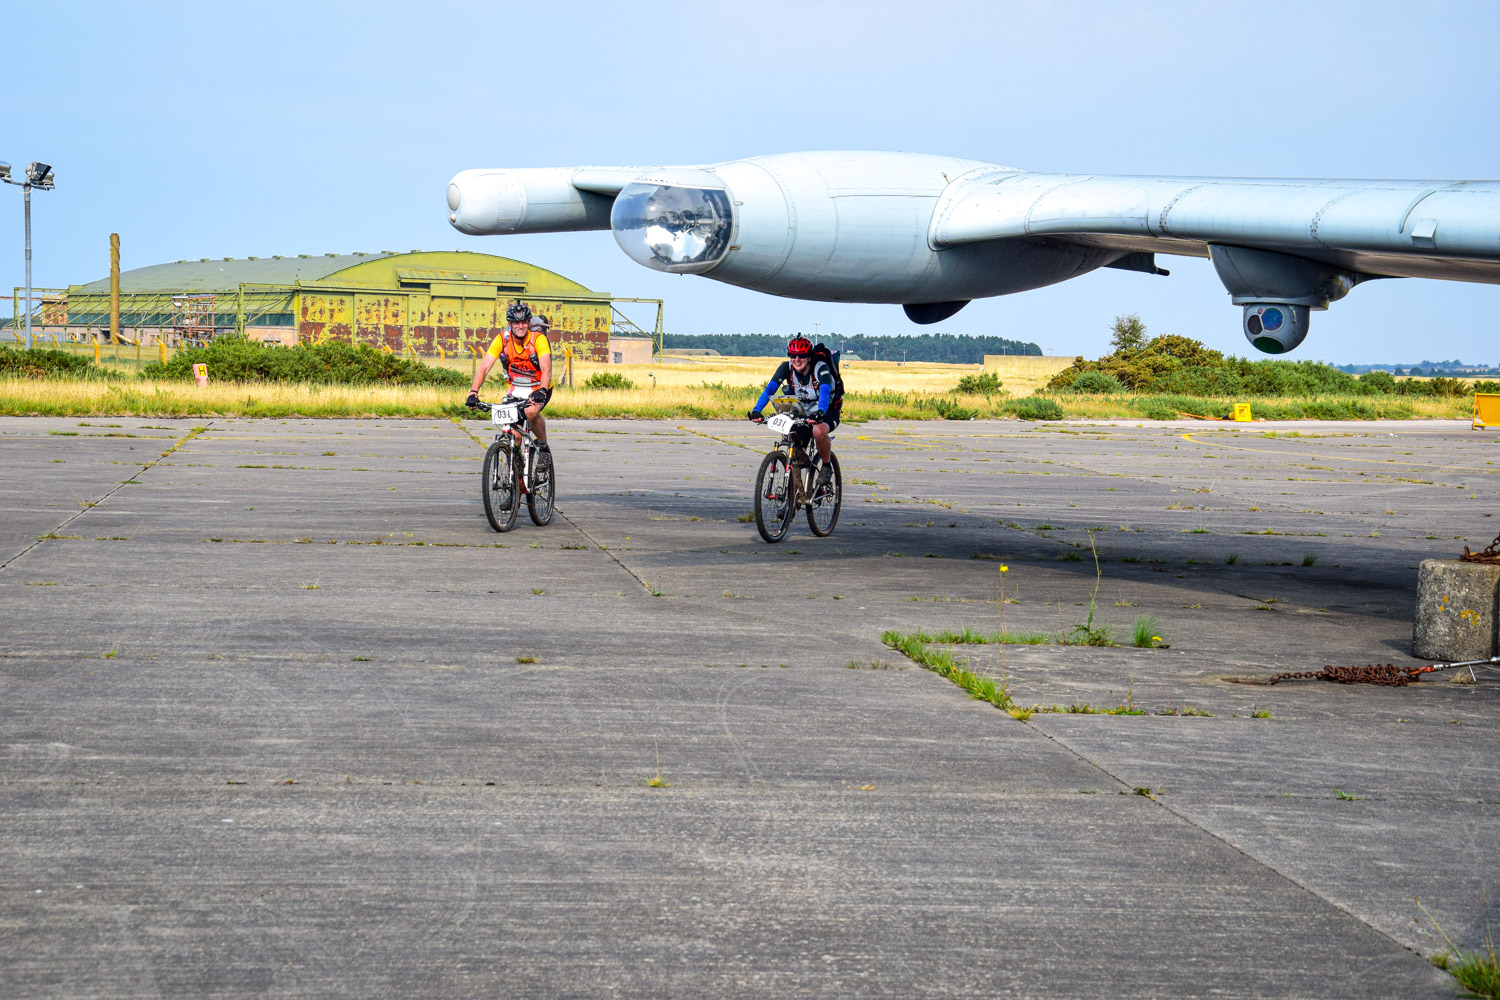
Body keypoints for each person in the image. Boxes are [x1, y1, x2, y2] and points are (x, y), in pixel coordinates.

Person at [748, 335, 836, 484]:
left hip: (826, 409)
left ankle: (826, 467)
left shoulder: (821, 368)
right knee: (791, 442)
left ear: (808, 357)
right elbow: (770, 389)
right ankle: (792, 499)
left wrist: (820, 412)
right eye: (792, 355)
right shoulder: (786, 368)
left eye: (801, 356)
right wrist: (757, 410)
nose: (796, 359)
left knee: (818, 431)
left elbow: (825, 392)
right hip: (802, 409)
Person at [467, 303, 553, 451]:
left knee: (530, 413)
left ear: (529, 323)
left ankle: (543, 446)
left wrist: (543, 390)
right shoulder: (502, 340)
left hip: (539, 387)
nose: (520, 326)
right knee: (514, 435)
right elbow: (484, 367)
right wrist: (473, 392)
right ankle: (515, 469)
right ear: (510, 324)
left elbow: (546, 368)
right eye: (516, 323)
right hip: (515, 389)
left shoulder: (538, 339)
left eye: (524, 322)